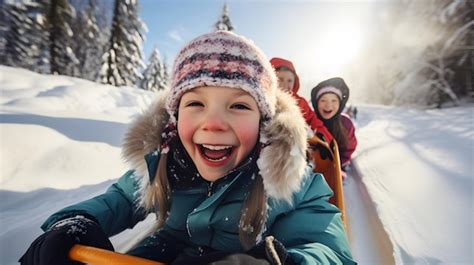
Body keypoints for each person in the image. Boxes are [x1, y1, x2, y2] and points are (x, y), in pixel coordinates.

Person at [20, 31, 355, 265]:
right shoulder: (165, 161)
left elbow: (327, 248)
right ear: (175, 117)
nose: (213, 124)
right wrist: (77, 222)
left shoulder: (291, 182)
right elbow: (119, 199)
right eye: (195, 103)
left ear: (263, 121)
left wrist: (287, 261)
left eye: (238, 106)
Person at [270, 57, 333, 142]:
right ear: (271, 79)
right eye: (280, 79)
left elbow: (313, 121)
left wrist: (326, 140)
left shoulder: (300, 102)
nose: (285, 85)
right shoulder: (264, 100)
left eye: (289, 81)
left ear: (294, 82)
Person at [311, 77, 358, 170]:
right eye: (323, 100)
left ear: (340, 104)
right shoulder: (310, 121)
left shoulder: (346, 123)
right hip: (313, 167)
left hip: (337, 166)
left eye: (334, 101)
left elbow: (349, 147)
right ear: (316, 103)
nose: (328, 105)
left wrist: (340, 163)